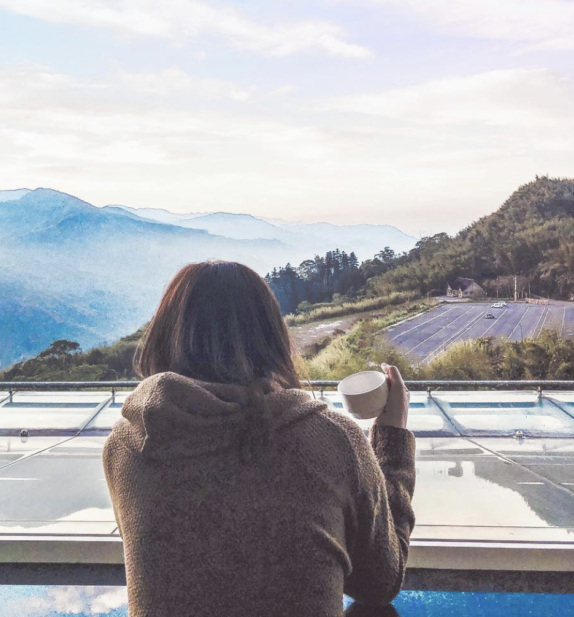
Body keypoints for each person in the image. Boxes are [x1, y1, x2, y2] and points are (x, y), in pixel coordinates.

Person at [102, 260, 415, 617]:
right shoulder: (331, 440)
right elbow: (378, 583)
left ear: (163, 334)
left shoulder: (125, 448)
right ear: (272, 337)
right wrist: (393, 438)